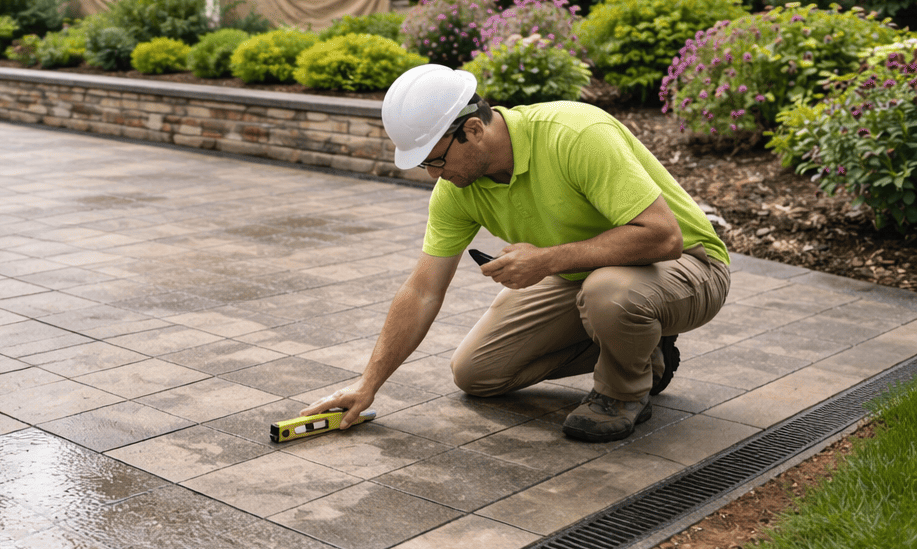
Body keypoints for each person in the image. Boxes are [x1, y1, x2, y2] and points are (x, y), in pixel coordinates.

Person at [307, 65, 731, 442]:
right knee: (477, 372)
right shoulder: (457, 189)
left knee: (609, 294)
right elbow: (422, 291)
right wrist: (368, 384)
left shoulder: (574, 134)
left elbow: (663, 238)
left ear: (473, 129)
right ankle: (645, 350)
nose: (435, 175)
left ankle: (622, 393)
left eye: (436, 160)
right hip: (583, 273)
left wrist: (546, 261)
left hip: (686, 265)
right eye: (425, 166)